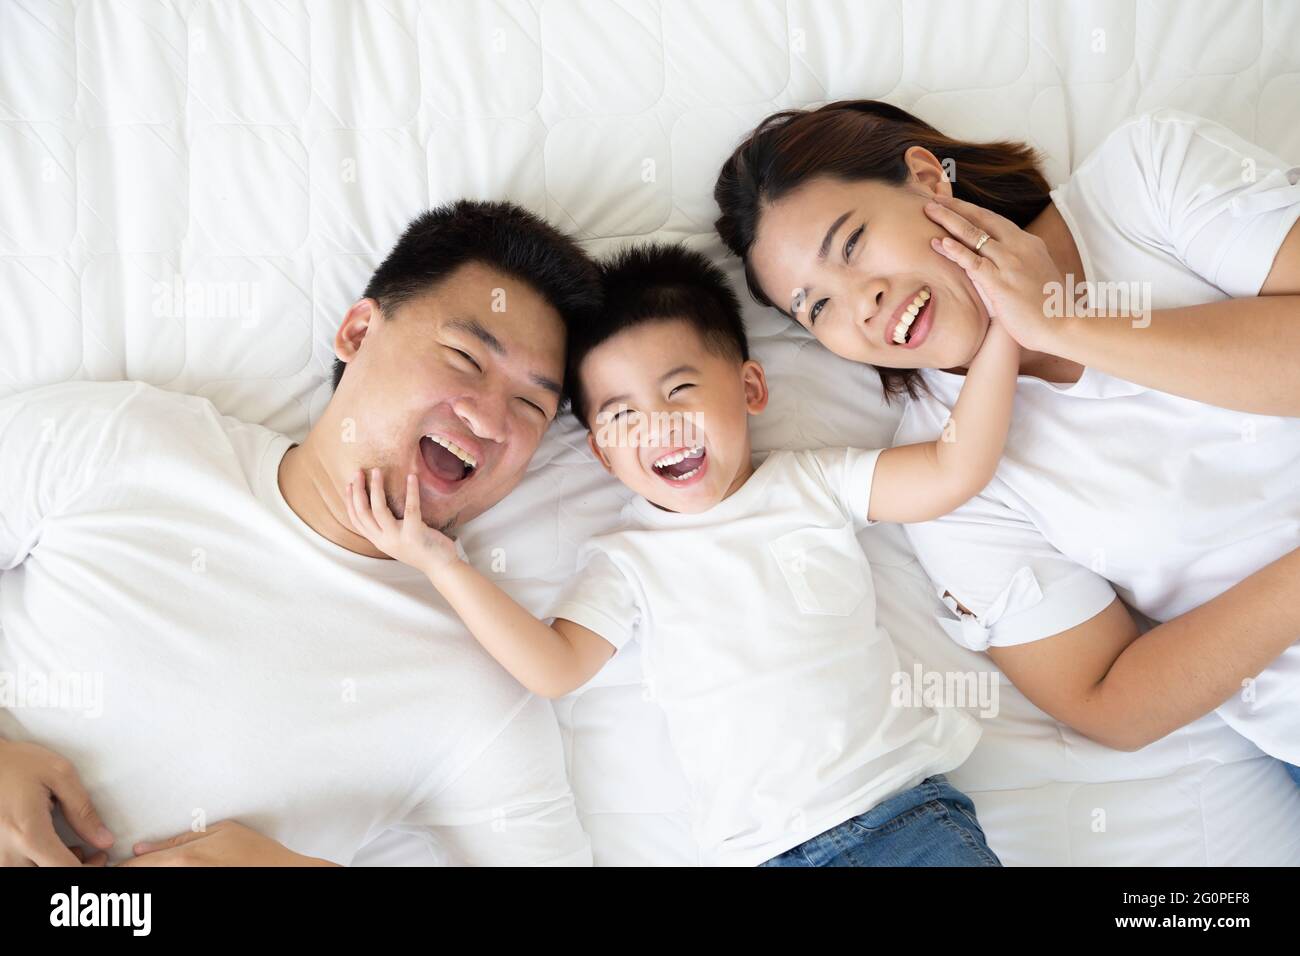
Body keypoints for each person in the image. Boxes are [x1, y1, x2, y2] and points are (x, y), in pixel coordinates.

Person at [345, 242, 1019, 866]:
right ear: (602, 455)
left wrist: (1005, 335)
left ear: (751, 389)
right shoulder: (628, 560)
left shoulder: (811, 483)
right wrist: (442, 564)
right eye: (623, 415)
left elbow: (953, 470)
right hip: (760, 855)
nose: (660, 424)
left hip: (904, 820)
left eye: (680, 391)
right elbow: (554, 668)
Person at [0, 200, 603, 866]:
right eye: (465, 357)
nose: (491, 420)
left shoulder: (480, 687)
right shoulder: (123, 442)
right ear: (357, 332)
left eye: (530, 407)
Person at [713, 101, 1300, 782]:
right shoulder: (949, 473)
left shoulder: (1146, 177)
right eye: (816, 308)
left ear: (929, 180)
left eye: (851, 245)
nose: (859, 301)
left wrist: (1066, 327)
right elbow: (1110, 702)